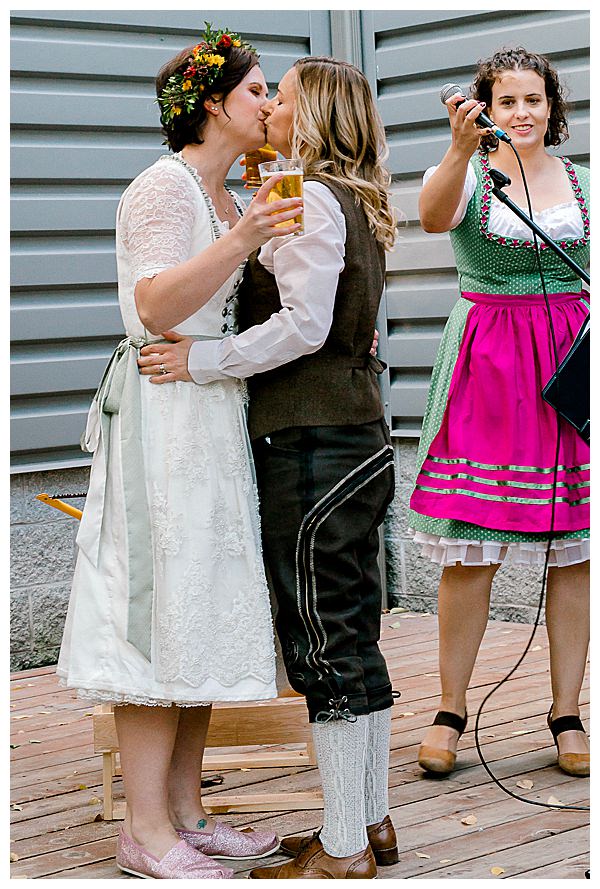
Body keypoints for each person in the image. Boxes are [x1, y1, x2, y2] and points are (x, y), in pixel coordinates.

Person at [139, 57, 399, 880]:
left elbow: (303, 326)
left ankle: (345, 846)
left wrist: (205, 358)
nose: (272, 108)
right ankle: (371, 822)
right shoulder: (349, 197)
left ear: (314, 112)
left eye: (281, 98)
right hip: (354, 437)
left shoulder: (311, 196)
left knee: (324, 646)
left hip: (314, 445)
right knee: (354, 640)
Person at [56, 25, 304, 879]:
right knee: (157, 618)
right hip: (162, 423)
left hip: (211, 414)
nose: (269, 104)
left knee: (197, 609)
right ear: (212, 104)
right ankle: (145, 829)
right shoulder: (161, 188)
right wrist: (242, 239)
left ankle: (190, 812)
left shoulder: (228, 192)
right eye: (257, 91)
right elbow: (156, 305)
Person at [407, 47, 590, 779]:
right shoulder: (464, 172)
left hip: (570, 361)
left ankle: (567, 711)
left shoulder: (583, 183)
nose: (522, 112)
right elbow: (428, 218)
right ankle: (451, 709)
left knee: (574, 547)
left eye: (534, 99)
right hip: (488, 358)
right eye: (507, 100)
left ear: (554, 106)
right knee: (471, 550)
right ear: (483, 106)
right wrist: (458, 150)